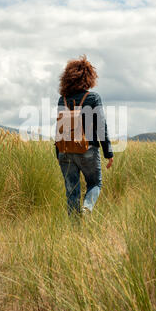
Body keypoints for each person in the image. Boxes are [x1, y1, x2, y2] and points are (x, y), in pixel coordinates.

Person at [55, 55, 114, 218]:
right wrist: (108, 153)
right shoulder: (93, 98)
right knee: (95, 183)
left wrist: (58, 153)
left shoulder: (63, 99)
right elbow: (101, 126)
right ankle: (87, 211)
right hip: (87, 149)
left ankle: (74, 231)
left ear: (67, 78)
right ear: (89, 77)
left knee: (71, 191)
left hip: (65, 150)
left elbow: (58, 127)